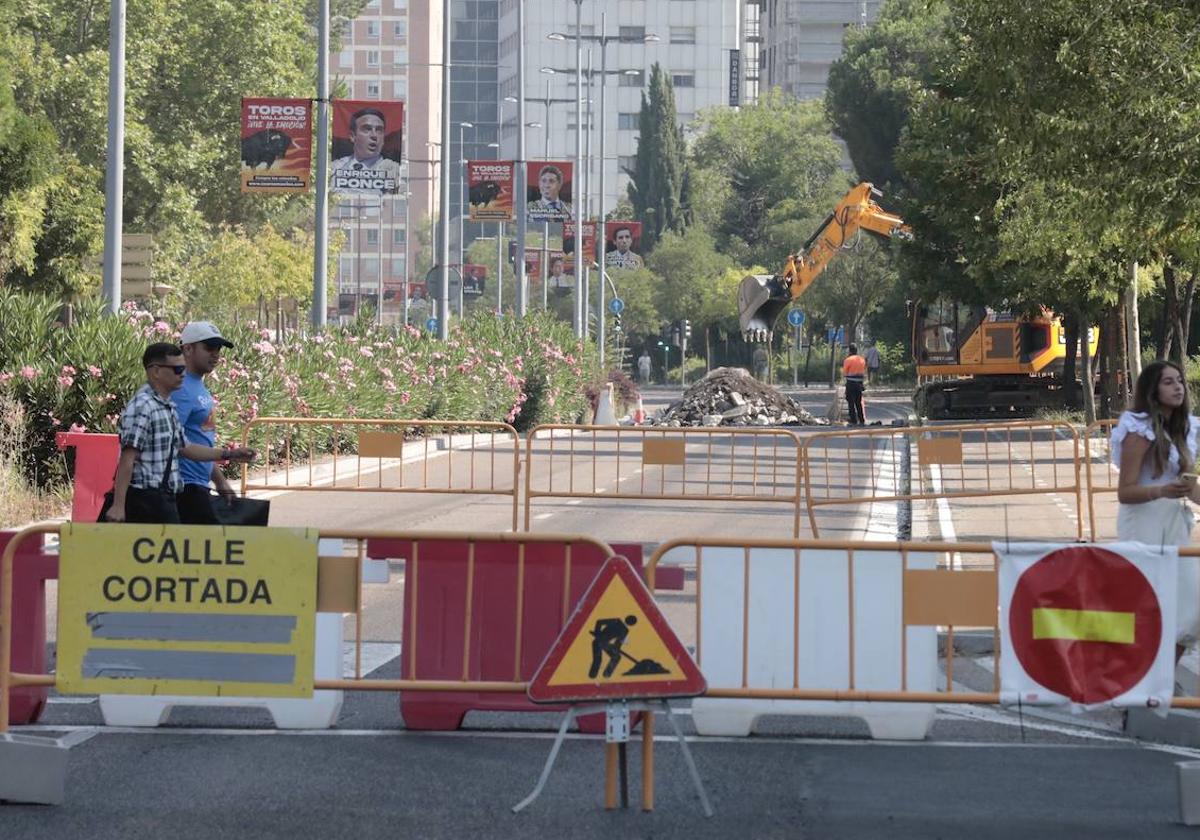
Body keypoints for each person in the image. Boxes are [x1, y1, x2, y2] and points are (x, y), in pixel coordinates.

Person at [105, 343, 256, 524]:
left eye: (183, 368)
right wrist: (118, 505)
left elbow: (185, 447)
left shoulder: (166, 405)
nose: (182, 374)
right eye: (177, 369)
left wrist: (229, 454)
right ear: (156, 371)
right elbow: (127, 459)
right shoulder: (143, 406)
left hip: (164, 499)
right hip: (142, 499)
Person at [1112, 360, 1200, 657]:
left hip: (1174, 523)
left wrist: (1190, 490)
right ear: (1152, 390)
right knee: (1146, 610)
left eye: (1180, 381)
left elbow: (1189, 488)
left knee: (1190, 608)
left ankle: (1160, 679)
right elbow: (1125, 492)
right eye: (1168, 382)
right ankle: (1139, 685)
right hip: (1143, 522)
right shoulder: (1138, 429)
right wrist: (1162, 490)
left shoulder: (1185, 428)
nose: (1178, 387)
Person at [173, 321, 239, 524]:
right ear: (188, 348)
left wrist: (219, 481)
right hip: (184, 488)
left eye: (218, 349)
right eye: (209, 347)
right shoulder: (179, 388)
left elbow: (201, 441)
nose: (215, 354)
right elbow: (174, 442)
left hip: (199, 486)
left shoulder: (198, 387)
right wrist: (228, 454)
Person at [330, 107, 402, 194]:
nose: (374, 135)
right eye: (367, 129)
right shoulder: (336, 167)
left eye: (379, 130)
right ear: (353, 136)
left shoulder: (392, 170)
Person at [843, 343, 867, 425]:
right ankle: (861, 420)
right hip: (859, 383)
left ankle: (853, 420)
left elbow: (845, 373)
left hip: (851, 383)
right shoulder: (862, 360)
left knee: (850, 402)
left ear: (850, 351)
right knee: (858, 402)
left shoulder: (848, 360)